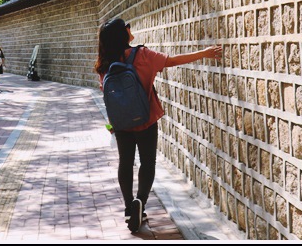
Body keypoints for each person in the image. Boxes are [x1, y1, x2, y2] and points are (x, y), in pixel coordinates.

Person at [95, 18, 222, 233]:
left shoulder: (104, 64)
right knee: (147, 163)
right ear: (123, 33)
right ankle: (140, 201)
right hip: (146, 120)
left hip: (121, 125)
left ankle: (129, 207)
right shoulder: (142, 55)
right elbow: (172, 61)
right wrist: (205, 53)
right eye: (127, 28)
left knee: (125, 163)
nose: (130, 30)